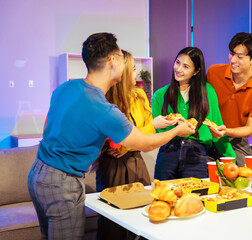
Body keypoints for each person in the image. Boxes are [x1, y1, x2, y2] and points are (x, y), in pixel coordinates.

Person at [27, 32, 194, 240]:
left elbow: (47, 130)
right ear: (112, 61)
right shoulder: (105, 110)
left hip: (37, 174)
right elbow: (146, 144)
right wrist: (177, 130)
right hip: (62, 182)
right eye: (123, 60)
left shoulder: (65, 88)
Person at [95, 50, 174, 240]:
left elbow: (140, 136)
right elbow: (118, 141)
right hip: (113, 166)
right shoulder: (107, 99)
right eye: (131, 69)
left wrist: (130, 144)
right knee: (113, 221)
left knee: (144, 214)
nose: (135, 73)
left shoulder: (140, 95)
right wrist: (144, 133)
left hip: (136, 161)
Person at [152, 47, 236, 180]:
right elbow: (155, 134)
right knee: (164, 197)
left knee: (195, 197)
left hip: (197, 156)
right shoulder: (160, 95)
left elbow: (217, 127)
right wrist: (172, 130)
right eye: (177, 62)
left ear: (196, 71)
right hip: (168, 154)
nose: (178, 69)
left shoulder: (208, 92)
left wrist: (231, 159)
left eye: (186, 66)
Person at [207, 32, 252, 167]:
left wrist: (225, 131)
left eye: (240, 56)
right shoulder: (213, 72)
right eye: (232, 53)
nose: (233, 60)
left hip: (235, 138)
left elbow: (249, 129)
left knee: (244, 175)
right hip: (206, 134)